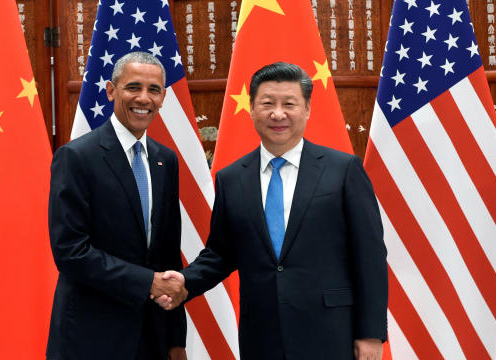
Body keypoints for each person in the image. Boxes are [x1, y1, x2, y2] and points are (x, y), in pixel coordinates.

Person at [159, 62, 388, 359]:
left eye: (289, 104)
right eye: (267, 103)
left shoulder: (343, 171)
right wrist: (185, 281)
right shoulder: (231, 178)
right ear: (252, 109)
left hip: (331, 332)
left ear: (306, 109)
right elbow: (221, 253)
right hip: (262, 334)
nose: (278, 114)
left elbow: (369, 256)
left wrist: (370, 334)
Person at [46, 52, 187, 360]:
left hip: (151, 337)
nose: (144, 98)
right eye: (133, 87)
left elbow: (167, 254)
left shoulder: (167, 160)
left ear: (163, 96)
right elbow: (70, 251)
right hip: (91, 337)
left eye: (154, 90)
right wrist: (147, 281)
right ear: (111, 90)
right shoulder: (77, 157)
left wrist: (176, 339)